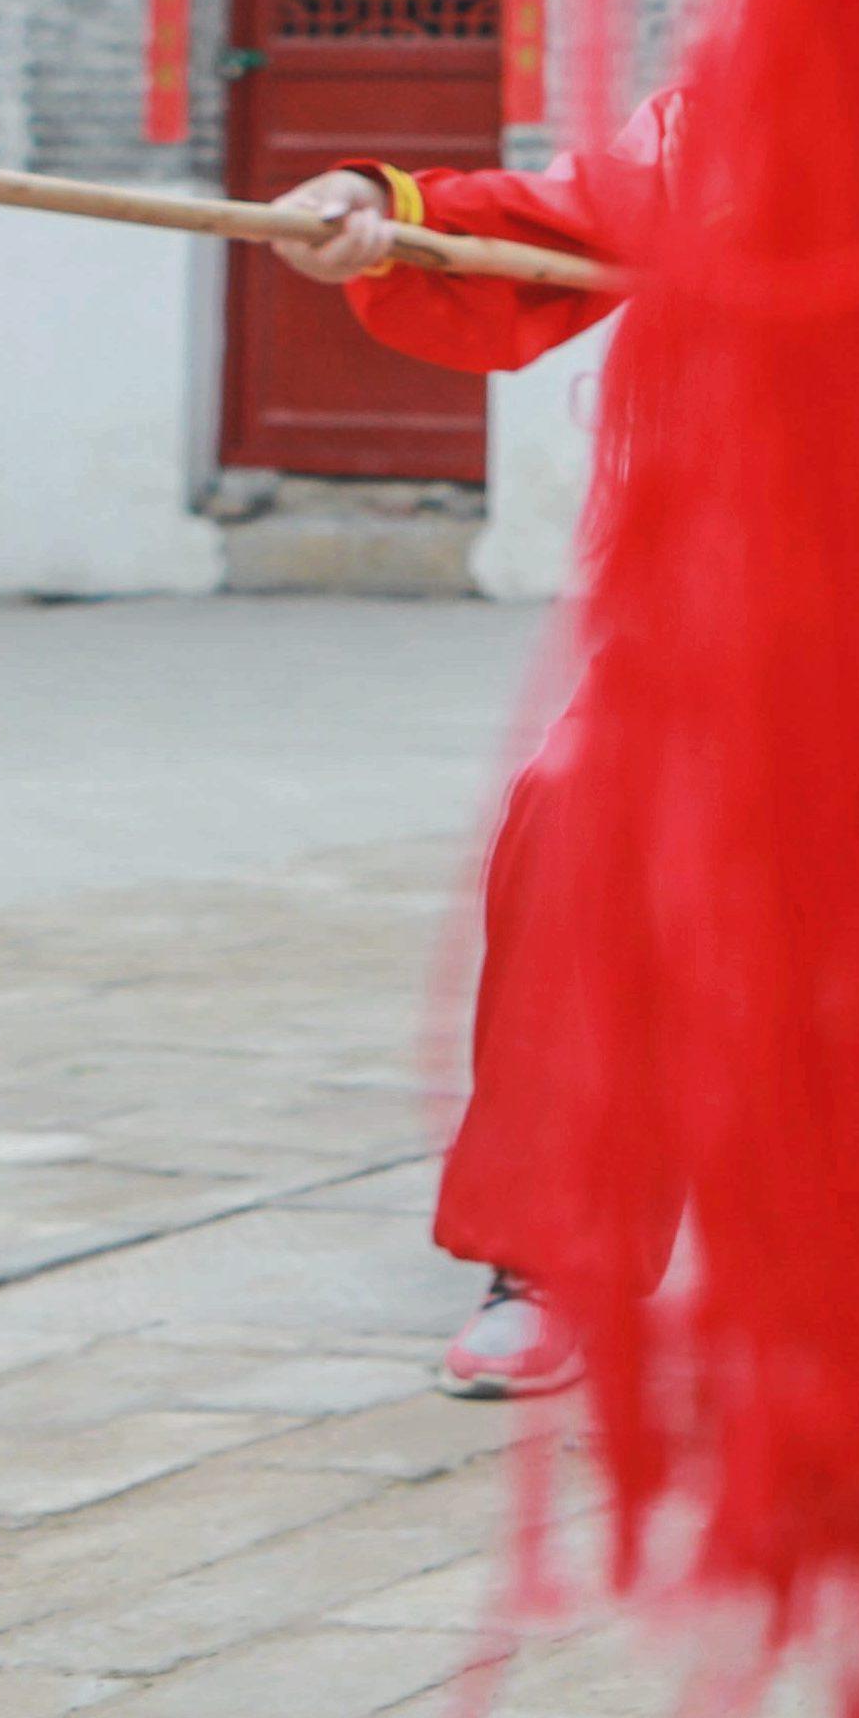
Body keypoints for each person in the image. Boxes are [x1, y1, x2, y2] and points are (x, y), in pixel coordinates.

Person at [267, 104, 681, 1400]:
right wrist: (382, 216)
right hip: (740, 580)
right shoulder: (746, 118)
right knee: (583, 822)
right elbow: (562, 216)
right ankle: (556, 1251)